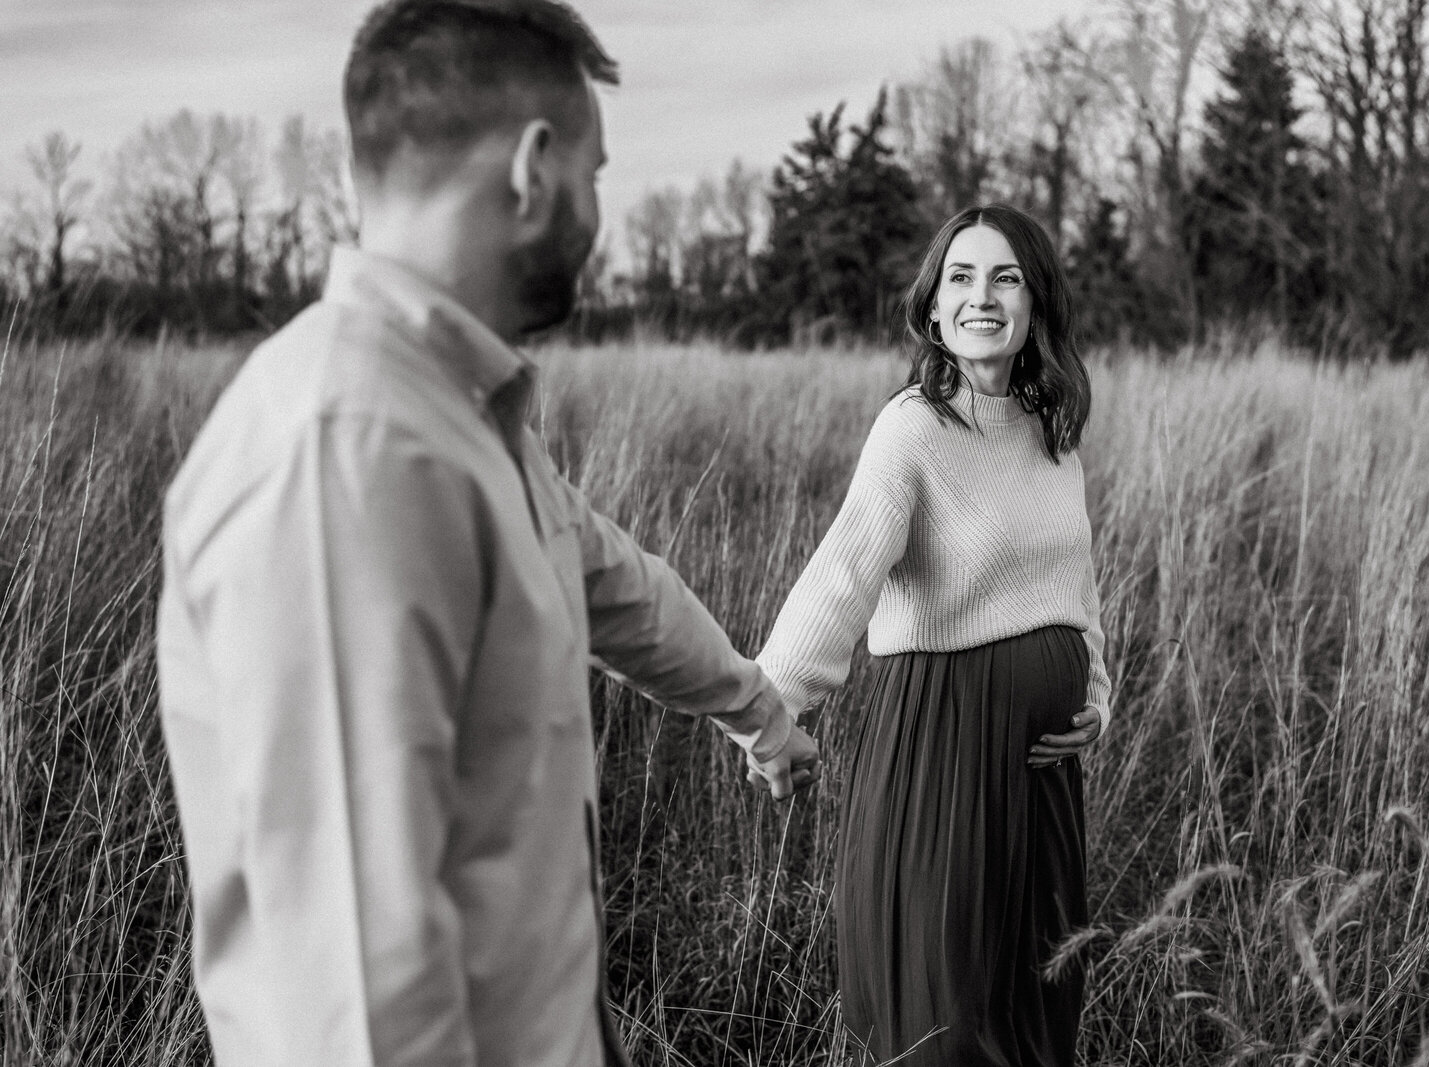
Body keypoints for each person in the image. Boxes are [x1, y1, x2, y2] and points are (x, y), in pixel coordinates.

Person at [155, 2, 819, 1064]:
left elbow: (615, 586)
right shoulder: (347, 450)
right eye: (596, 175)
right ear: (533, 168)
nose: (598, 213)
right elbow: (358, 999)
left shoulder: (457, 415)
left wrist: (756, 710)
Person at [756, 203, 1112, 1065]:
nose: (981, 296)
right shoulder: (913, 427)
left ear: (1035, 305)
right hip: (944, 755)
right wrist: (766, 706)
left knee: (1038, 1005)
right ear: (935, 303)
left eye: (1005, 277)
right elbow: (842, 572)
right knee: (947, 1020)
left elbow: (1077, 587)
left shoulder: (1051, 432)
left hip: (1042, 782)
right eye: (961, 276)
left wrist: (1096, 694)